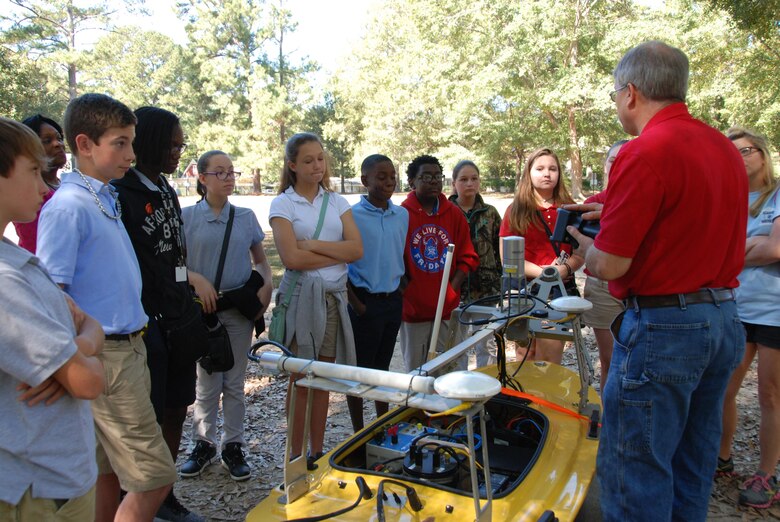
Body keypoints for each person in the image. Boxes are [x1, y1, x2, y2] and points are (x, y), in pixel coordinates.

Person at [568, 41, 747, 522]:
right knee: (693, 462)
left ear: (630, 93)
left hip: (667, 327)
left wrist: (587, 250)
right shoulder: (724, 149)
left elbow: (611, 265)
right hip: (724, 317)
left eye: (613, 96)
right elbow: (688, 219)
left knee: (635, 470)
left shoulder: (644, 151)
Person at [37, 93, 177, 522]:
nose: (131, 155)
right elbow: (51, 294)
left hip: (124, 348)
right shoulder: (69, 206)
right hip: (107, 356)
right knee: (154, 477)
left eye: (132, 143)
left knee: (108, 473)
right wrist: (61, 363)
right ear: (84, 144)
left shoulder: (105, 196)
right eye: (119, 143)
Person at [0, 117, 105, 522]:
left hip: (50, 477)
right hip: (38, 488)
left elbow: (87, 322)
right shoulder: (7, 280)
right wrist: (79, 358)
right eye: (32, 170)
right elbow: (89, 381)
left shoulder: (18, 262)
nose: (45, 186)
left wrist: (75, 349)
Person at [111, 106, 204, 521]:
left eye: (181, 145)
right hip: (145, 325)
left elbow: (175, 254)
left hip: (178, 317)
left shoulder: (166, 189)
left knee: (176, 406)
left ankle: (163, 495)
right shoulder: (120, 192)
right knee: (145, 417)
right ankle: (134, 498)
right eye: (171, 144)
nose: (176, 152)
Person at [179, 150, 273, 480]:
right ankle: (203, 444)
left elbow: (260, 261)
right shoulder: (185, 218)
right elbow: (172, 269)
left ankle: (233, 446)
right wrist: (194, 279)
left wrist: (267, 286)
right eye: (220, 172)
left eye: (231, 171)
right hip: (202, 314)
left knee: (234, 383)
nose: (228, 177)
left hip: (238, 311)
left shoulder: (246, 217)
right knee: (206, 382)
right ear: (201, 179)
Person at [269, 132, 362, 464]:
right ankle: (294, 453)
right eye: (308, 160)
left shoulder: (337, 202)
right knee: (301, 377)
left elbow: (356, 249)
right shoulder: (283, 204)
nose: (317, 165)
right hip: (301, 299)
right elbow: (291, 259)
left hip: (332, 299)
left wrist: (311, 245)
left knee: (322, 374)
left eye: (320, 158)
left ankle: (317, 450)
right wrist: (334, 256)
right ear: (292, 165)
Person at [716, 127, 780, 508]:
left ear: (762, 153)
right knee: (724, 390)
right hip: (734, 308)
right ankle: (723, 459)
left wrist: (730, 252)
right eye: (731, 153)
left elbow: (775, 249)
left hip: (773, 311)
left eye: (745, 151)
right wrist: (754, 246)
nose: (738, 158)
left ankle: (766, 473)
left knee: (770, 395)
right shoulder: (727, 199)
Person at [499, 148, 584, 364]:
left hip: (558, 290)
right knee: (524, 355)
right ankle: (525, 398)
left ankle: (545, 398)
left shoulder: (570, 208)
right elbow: (506, 257)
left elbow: (580, 252)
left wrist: (561, 271)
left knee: (549, 355)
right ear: (529, 173)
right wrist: (545, 273)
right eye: (540, 168)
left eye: (552, 169)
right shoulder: (515, 210)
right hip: (522, 288)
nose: (547, 174)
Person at [346, 154, 408, 431]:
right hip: (364, 303)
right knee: (359, 372)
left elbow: (398, 253)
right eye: (381, 177)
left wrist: (401, 289)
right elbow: (340, 263)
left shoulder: (401, 215)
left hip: (392, 302)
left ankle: (383, 425)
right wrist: (357, 304)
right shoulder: (351, 216)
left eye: (392, 176)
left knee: (382, 369)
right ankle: (359, 431)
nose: (389, 182)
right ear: (365, 181)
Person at [400, 154, 479, 373]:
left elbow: (467, 256)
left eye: (437, 176)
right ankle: (418, 409)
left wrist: (451, 290)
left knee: (449, 370)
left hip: (447, 309)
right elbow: (395, 262)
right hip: (414, 312)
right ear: (412, 181)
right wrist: (410, 292)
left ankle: (447, 409)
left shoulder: (453, 213)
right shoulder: (402, 214)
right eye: (426, 176)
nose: (434, 181)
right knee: (417, 374)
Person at [580, 140, 628, 391]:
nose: (618, 164)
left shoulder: (645, 200)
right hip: (602, 286)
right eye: (612, 159)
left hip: (639, 287)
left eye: (625, 159)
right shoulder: (593, 201)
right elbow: (582, 247)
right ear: (605, 165)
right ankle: (607, 424)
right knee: (610, 360)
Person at [449, 160, 502, 367]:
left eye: (474, 179)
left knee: (485, 343)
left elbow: (499, 250)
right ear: (454, 183)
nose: (469, 183)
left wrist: (499, 280)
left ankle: (485, 389)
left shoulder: (490, 213)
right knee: (456, 344)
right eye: (463, 179)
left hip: (486, 290)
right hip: (456, 289)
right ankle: (457, 387)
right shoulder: (447, 211)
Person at [13, 114, 68, 253]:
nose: (58, 144)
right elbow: (35, 244)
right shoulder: (30, 192)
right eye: (47, 141)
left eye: (59, 138)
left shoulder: (65, 184)